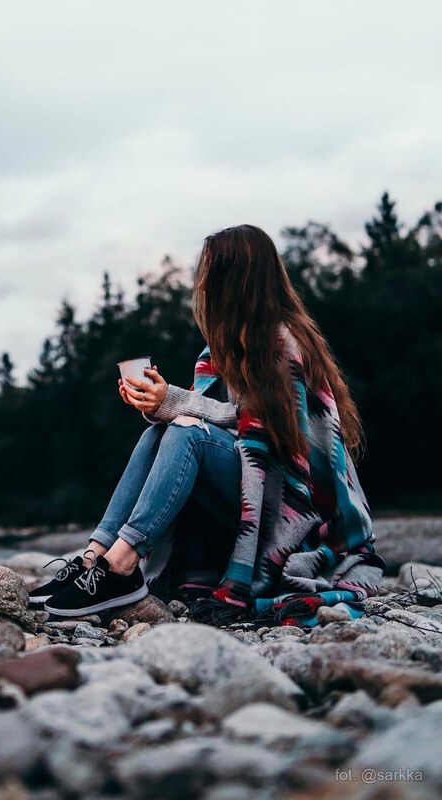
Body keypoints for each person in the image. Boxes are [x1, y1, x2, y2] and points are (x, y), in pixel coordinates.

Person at [32, 224, 384, 624]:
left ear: (235, 280)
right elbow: (208, 417)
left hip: (295, 507)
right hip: (248, 490)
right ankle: (95, 559)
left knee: (182, 430)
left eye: (209, 271)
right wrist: (160, 403)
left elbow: (270, 432)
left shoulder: (281, 344)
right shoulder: (222, 350)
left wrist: (176, 403)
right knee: (159, 431)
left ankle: (123, 566)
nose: (200, 282)